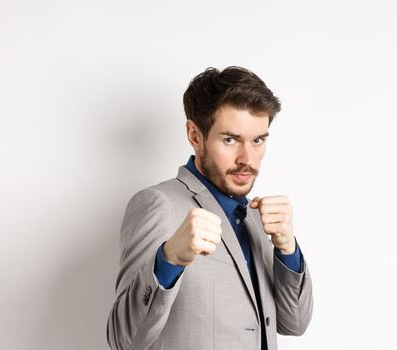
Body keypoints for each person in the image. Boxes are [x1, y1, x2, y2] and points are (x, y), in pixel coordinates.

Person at [106, 66, 313, 350]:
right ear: (195, 135)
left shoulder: (255, 215)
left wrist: (287, 249)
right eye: (230, 140)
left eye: (258, 141)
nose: (247, 159)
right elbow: (122, 340)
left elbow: (296, 323)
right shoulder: (160, 205)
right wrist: (168, 259)